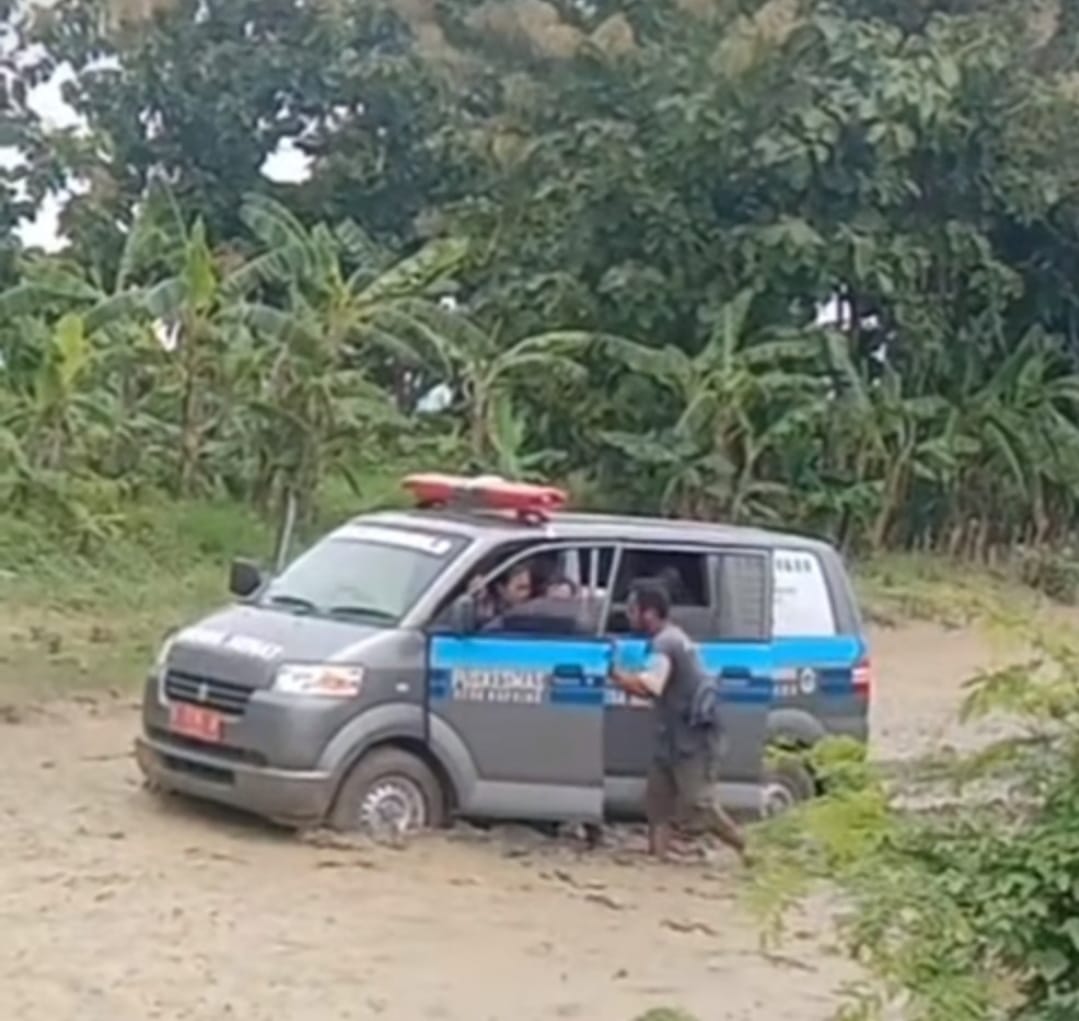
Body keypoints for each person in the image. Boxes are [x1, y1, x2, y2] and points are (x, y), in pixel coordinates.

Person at [610, 579, 748, 864]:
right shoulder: (674, 638)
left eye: (633, 610)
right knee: (657, 801)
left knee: (700, 803)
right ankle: (659, 857)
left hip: (690, 739)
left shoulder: (665, 644)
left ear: (649, 613)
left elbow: (650, 687)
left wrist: (617, 676)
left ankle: (746, 847)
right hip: (673, 736)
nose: (629, 616)